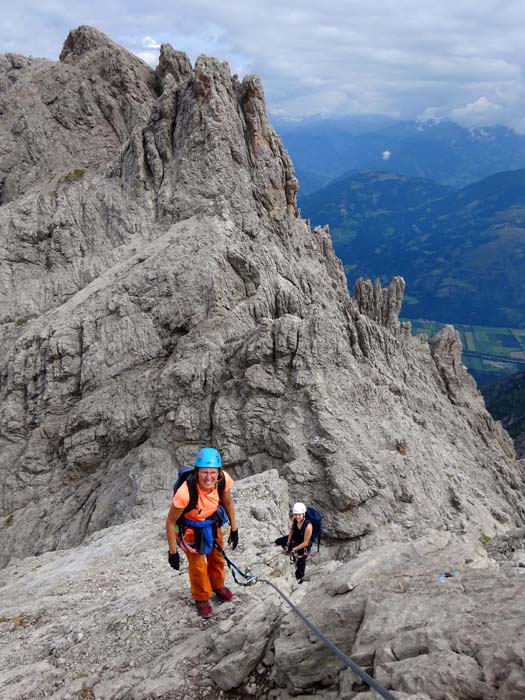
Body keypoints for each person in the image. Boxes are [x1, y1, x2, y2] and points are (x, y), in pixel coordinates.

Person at [165, 447, 239, 618]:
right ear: (197, 472)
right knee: (198, 566)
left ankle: (218, 586)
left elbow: (228, 503)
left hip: (211, 525)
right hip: (190, 531)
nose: (209, 477)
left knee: (217, 558)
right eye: (204, 472)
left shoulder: (222, 480)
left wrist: (234, 529)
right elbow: (170, 522)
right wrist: (172, 552)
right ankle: (202, 597)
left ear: (219, 472)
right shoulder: (185, 493)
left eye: (212, 472)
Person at [275, 502, 313, 583]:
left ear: (303, 514)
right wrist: (288, 543)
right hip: (295, 538)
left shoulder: (308, 526)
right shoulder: (295, 520)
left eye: (299, 515)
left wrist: (293, 549)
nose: (297, 516)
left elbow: (305, 543)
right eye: (296, 514)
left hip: (304, 545)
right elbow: (292, 530)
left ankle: (300, 577)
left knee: (301, 564)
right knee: (278, 541)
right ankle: (292, 557)